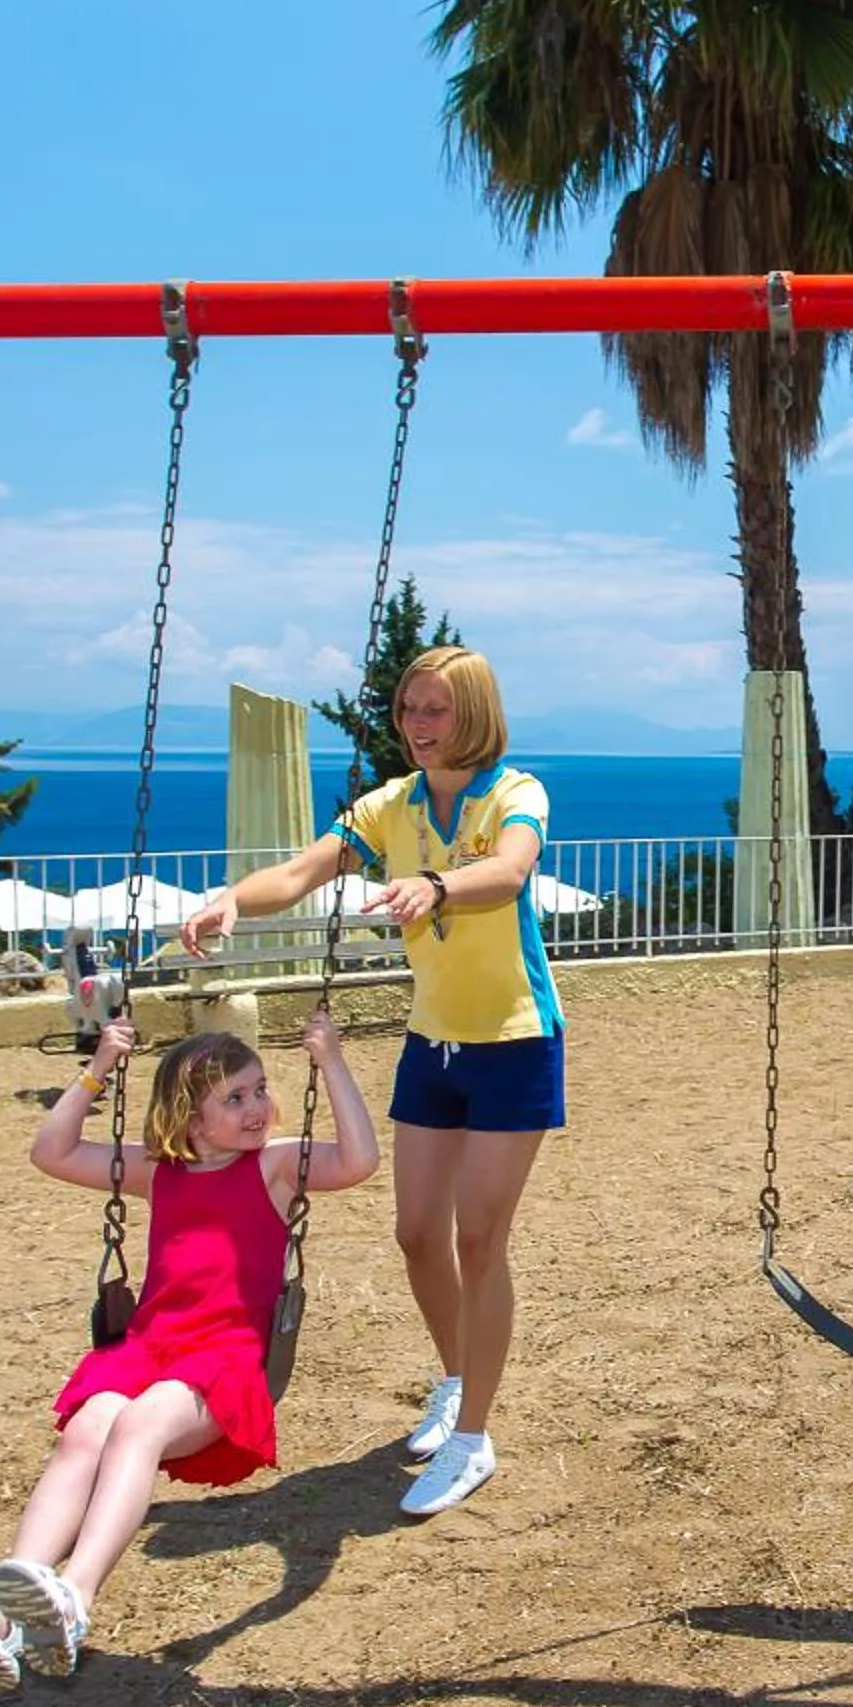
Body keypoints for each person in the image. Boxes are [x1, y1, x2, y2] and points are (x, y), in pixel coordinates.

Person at [181, 644, 562, 1518]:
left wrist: (435, 885)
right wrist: (234, 899)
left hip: (514, 1041)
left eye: (435, 709)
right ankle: (457, 1381)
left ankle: (473, 1438)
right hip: (433, 1043)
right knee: (418, 1234)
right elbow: (300, 871)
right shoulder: (391, 805)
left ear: (474, 713)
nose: (417, 726)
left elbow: (508, 872)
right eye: (407, 710)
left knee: (479, 1238)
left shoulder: (516, 793)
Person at [0, 1011, 378, 1693]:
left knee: (137, 1426)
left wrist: (331, 1062)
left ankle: (74, 1596)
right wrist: (98, 1068)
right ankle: (6, 1613)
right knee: (85, 1433)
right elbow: (51, 1152)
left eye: (259, 1090)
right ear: (191, 1120)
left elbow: (359, 1161)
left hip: (224, 1360)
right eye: (235, 1098)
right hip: (149, 1348)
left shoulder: (275, 1166)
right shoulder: (160, 1171)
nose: (257, 1107)